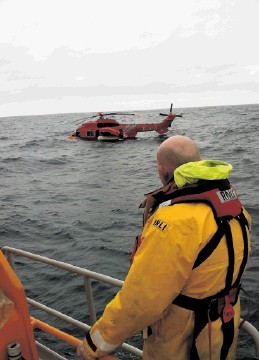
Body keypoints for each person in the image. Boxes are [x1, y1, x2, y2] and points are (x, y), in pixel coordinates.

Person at [77, 135, 251, 360]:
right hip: (220, 333)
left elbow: (140, 302)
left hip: (181, 342)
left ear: (162, 169)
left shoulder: (174, 222)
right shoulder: (235, 208)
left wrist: (94, 344)